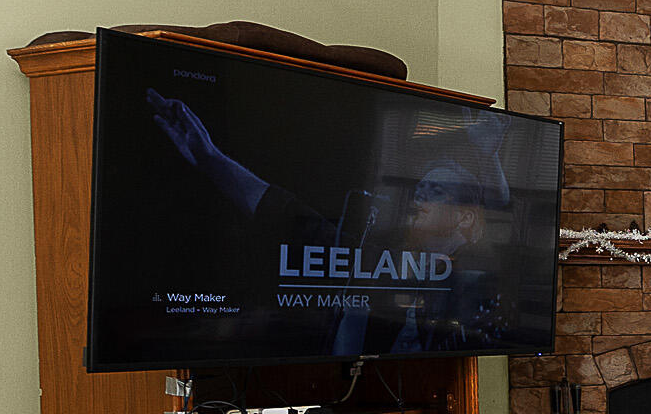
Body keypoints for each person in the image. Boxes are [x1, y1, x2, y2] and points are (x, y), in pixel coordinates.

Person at [144, 87, 512, 356]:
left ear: (464, 216)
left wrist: (489, 158)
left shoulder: (473, 281)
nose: (418, 200)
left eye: (435, 192)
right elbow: (289, 215)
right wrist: (210, 158)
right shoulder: (377, 261)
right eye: (419, 190)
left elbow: (499, 212)